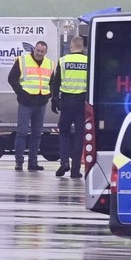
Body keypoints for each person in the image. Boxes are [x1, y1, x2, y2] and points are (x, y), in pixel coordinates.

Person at [7, 40, 52, 172]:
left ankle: (33, 162)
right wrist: (21, 93)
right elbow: (11, 78)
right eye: (37, 50)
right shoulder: (22, 60)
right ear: (33, 49)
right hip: (26, 102)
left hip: (41, 102)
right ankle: (19, 162)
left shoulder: (49, 64)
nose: (39, 53)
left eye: (42, 52)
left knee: (37, 134)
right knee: (21, 132)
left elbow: (52, 81)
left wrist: (49, 95)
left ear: (45, 52)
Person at [51, 35, 88, 178]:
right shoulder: (88, 61)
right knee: (80, 135)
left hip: (66, 102)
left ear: (71, 47)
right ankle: (75, 169)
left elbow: (56, 82)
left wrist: (54, 100)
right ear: (83, 47)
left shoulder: (63, 61)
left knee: (64, 132)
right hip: (82, 102)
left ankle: (64, 162)